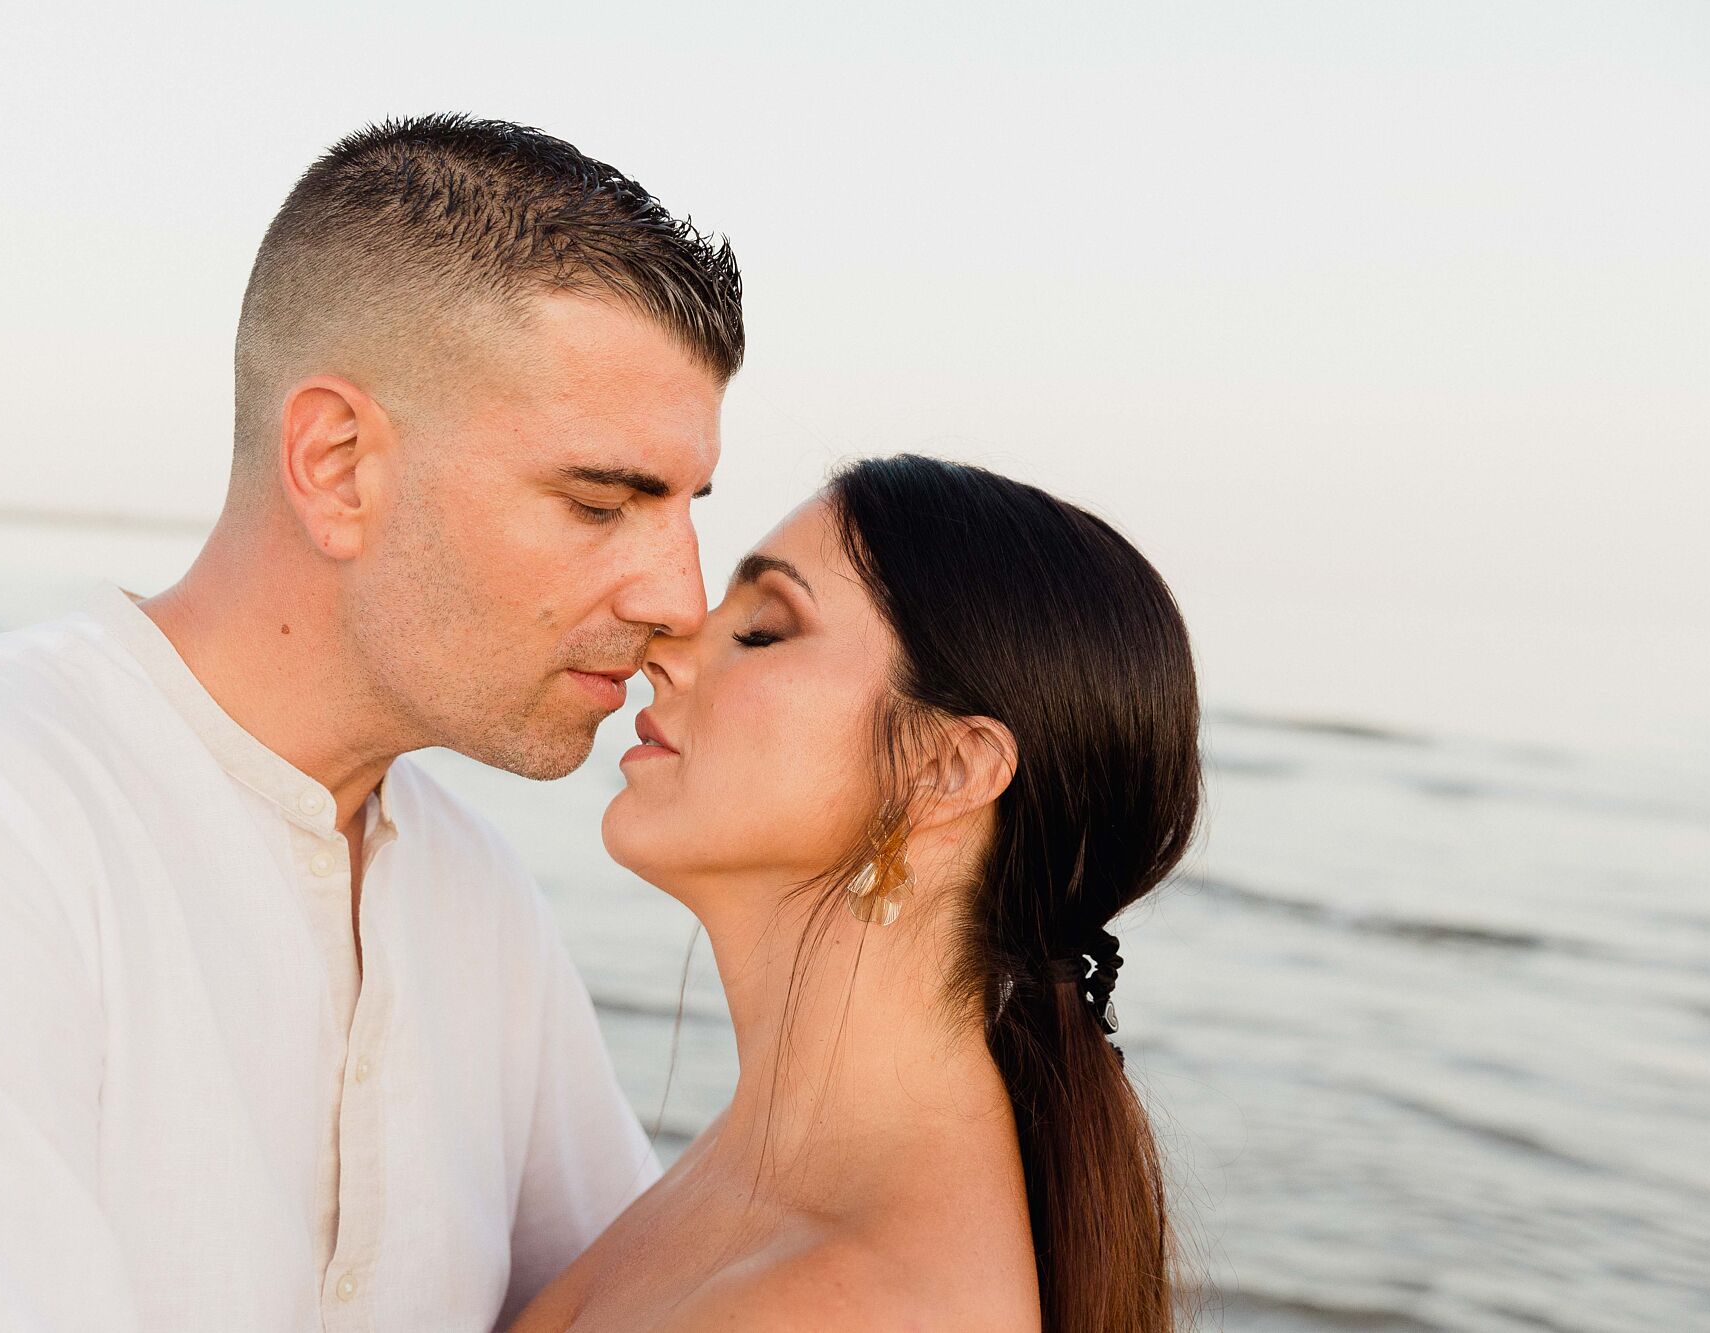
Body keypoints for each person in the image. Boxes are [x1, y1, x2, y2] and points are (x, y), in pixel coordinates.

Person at [0, 114, 742, 1331]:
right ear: (335, 464)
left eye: (687, 507)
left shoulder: (479, 900)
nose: (680, 600)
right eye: (601, 503)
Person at [510, 455, 1203, 1333]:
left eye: (764, 629)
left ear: (944, 769)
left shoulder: (852, 1301)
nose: (662, 648)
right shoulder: (756, 1167)